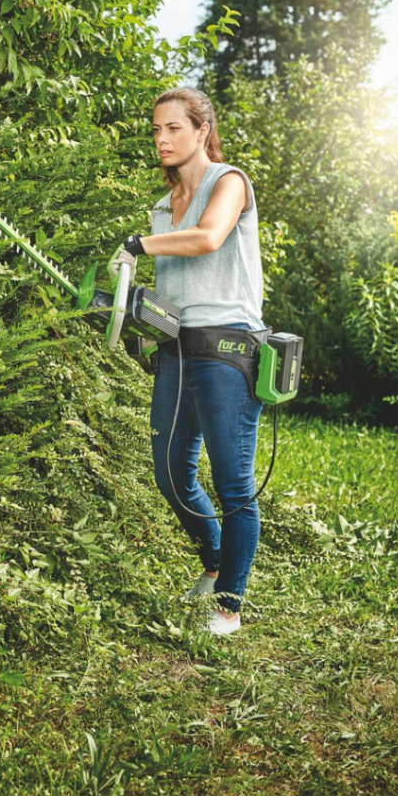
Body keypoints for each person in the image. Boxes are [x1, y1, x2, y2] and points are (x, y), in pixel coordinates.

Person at [112, 87, 267, 636]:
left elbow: (206, 239)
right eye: (156, 129)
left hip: (226, 348)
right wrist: (136, 315)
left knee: (233, 482)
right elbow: (174, 298)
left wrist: (139, 246)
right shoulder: (162, 207)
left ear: (202, 130)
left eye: (173, 128)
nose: (161, 139)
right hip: (178, 350)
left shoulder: (229, 182)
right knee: (171, 474)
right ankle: (214, 561)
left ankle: (229, 603)